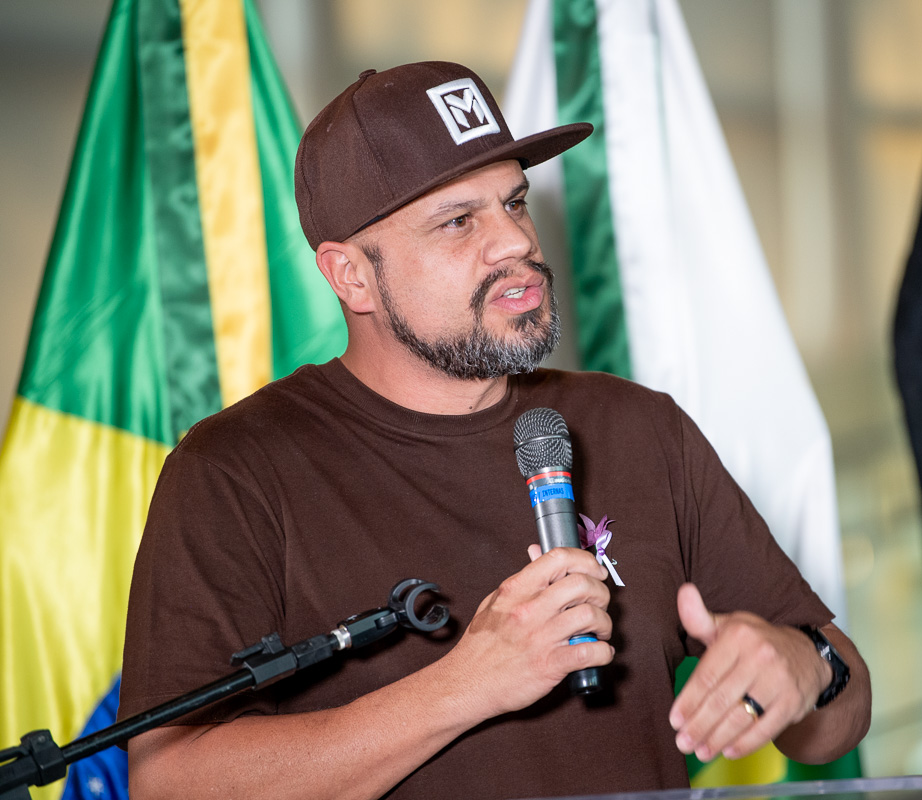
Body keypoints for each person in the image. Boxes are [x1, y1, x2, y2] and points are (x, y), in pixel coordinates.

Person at [117, 61, 871, 800]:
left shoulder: (640, 427)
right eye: (458, 221)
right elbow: (169, 783)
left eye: (515, 202)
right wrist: (467, 684)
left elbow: (838, 717)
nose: (515, 242)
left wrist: (806, 667)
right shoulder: (235, 469)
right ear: (351, 275)